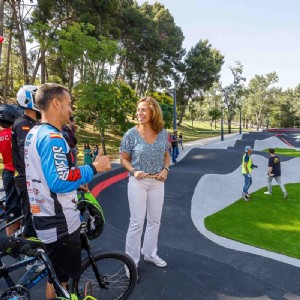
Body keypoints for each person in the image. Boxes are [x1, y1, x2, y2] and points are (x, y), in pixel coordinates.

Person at [24, 83, 111, 299]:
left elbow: (48, 174)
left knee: (55, 274)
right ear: (56, 103)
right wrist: (94, 168)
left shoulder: (35, 132)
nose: (71, 110)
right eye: (69, 104)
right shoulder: (53, 138)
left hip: (44, 215)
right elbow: (60, 181)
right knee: (60, 280)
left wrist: (76, 181)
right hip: (60, 221)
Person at [120, 96, 170, 272]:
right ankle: (131, 263)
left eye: (143, 109)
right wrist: (134, 171)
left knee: (155, 221)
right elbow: (123, 159)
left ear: (153, 112)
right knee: (137, 222)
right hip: (138, 182)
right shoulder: (131, 134)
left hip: (158, 182)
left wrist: (166, 169)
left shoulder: (163, 133)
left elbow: (166, 154)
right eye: (138, 109)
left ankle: (149, 253)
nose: (139, 113)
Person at [12, 85, 40, 238]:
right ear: (28, 99)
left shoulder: (32, 123)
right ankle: (29, 256)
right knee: (31, 220)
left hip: (32, 178)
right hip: (26, 178)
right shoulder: (23, 123)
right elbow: (27, 153)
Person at [0, 104, 22, 236]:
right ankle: (13, 239)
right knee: (17, 204)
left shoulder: (1, 135)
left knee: (11, 202)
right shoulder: (13, 134)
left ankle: (12, 235)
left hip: (7, 171)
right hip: (16, 171)